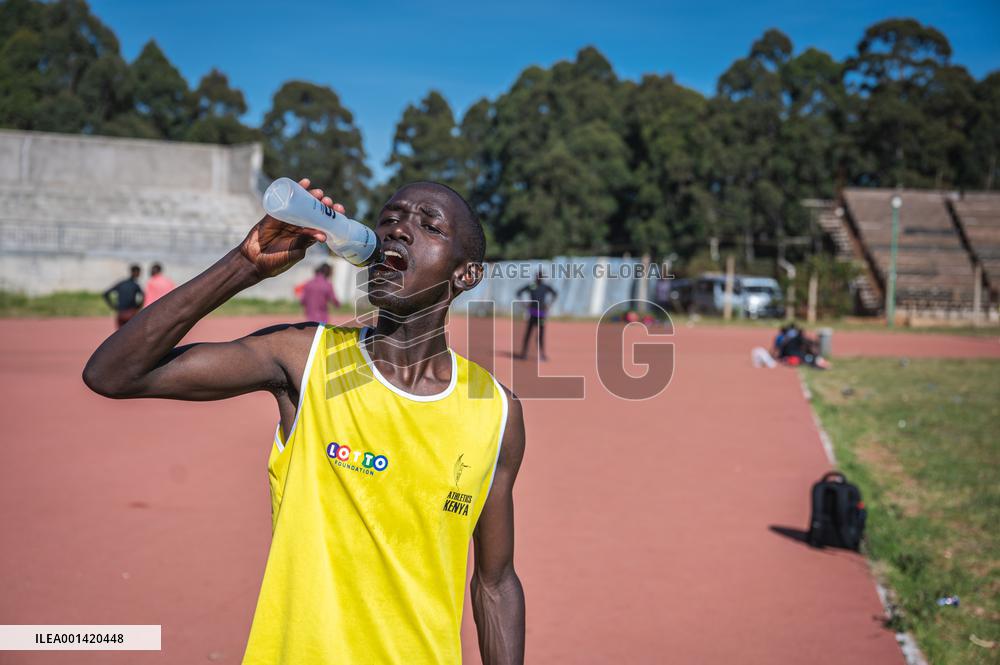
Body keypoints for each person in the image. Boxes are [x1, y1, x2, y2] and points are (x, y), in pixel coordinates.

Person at [83, 178, 526, 665]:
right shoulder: (304, 356)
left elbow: (495, 583)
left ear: (467, 274)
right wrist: (243, 266)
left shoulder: (495, 410)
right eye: (389, 218)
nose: (398, 229)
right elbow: (114, 373)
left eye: (428, 225)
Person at [516, 269, 557, 361]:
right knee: (528, 333)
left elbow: (555, 293)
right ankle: (523, 353)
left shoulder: (545, 287)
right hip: (533, 313)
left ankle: (542, 354)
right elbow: (518, 292)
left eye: (541, 276)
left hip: (541, 314)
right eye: (538, 276)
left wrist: (549, 304)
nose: (539, 278)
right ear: (536, 277)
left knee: (541, 334)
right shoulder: (532, 286)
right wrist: (524, 303)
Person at [102, 264, 144, 328]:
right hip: (130, 313)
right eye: (139, 272)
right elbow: (143, 296)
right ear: (136, 272)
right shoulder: (135, 285)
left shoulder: (122, 283)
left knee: (121, 335)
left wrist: (112, 306)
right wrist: (138, 307)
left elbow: (105, 294)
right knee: (132, 334)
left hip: (121, 314)